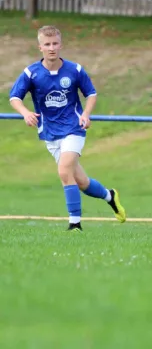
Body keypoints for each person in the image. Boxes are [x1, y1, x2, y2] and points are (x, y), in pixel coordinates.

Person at [9, 25, 126, 231]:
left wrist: (86, 114)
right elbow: (14, 97)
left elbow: (91, 93)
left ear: (61, 45)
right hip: (50, 132)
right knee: (81, 181)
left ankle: (75, 224)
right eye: (47, 44)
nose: (52, 48)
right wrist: (26, 113)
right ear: (40, 47)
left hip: (73, 128)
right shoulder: (31, 73)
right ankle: (110, 196)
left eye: (55, 43)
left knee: (64, 171)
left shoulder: (75, 70)